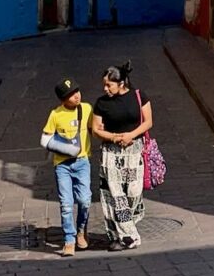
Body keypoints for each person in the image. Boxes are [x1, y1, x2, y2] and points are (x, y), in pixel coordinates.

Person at [91, 61, 153, 251]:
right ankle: (124, 237)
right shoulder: (102, 103)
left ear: (121, 83)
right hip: (111, 154)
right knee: (114, 197)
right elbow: (95, 130)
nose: (105, 88)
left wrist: (130, 136)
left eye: (109, 84)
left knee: (133, 194)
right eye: (104, 85)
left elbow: (148, 122)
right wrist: (115, 137)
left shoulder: (138, 96)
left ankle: (126, 229)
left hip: (135, 153)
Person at [40, 78, 92, 257]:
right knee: (66, 204)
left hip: (82, 162)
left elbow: (96, 127)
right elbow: (45, 139)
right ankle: (69, 240)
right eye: (71, 94)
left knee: (85, 200)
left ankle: (81, 230)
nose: (76, 95)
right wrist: (64, 148)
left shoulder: (86, 109)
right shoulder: (55, 114)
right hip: (62, 165)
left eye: (77, 91)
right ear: (63, 99)